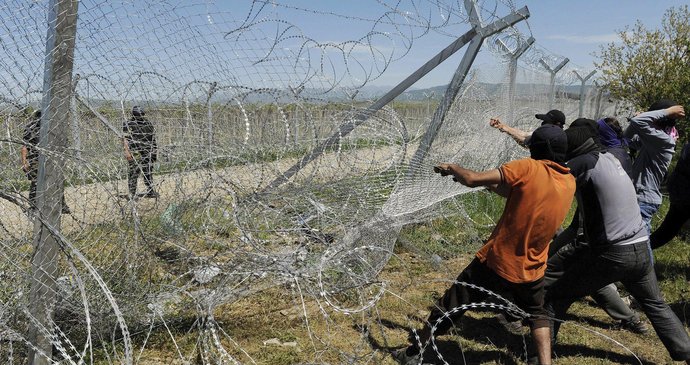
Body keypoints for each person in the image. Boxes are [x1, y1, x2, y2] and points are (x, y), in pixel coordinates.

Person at [393, 123, 575, 365]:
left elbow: (471, 179)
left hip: (497, 260)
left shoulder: (528, 167)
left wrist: (453, 168)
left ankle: (414, 353)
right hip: (532, 267)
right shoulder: (568, 180)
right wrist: (486, 184)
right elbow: (518, 193)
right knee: (538, 315)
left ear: (536, 149)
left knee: (449, 305)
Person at [545, 124, 690, 364]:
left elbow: (546, 187)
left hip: (613, 253)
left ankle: (538, 354)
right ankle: (686, 353)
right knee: (656, 304)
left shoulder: (582, 163)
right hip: (641, 246)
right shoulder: (612, 158)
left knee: (556, 296)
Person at [624, 100, 685, 234]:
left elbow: (637, 122)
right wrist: (640, 119)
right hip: (639, 197)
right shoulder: (655, 140)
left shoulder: (664, 141)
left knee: (640, 246)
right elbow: (626, 139)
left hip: (644, 200)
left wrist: (666, 112)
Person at [21, 109, 70, 214]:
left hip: (52, 158)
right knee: (36, 182)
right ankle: (34, 206)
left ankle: (61, 204)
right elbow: (25, 146)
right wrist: (25, 162)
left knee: (56, 180)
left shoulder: (54, 127)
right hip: (36, 159)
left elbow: (63, 145)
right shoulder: (31, 128)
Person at [650, 141, 690, 249]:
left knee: (668, 230)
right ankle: (643, 250)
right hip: (684, 194)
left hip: (680, 191)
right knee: (668, 230)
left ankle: (644, 249)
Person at [123, 105, 158, 198]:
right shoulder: (128, 124)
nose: (139, 116)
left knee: (148, 172)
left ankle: (150, 191)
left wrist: (154, 151)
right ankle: (132, 193)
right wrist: (127, 151)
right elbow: (125, 138)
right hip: (135, 151)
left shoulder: (148, 123)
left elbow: (152, 139)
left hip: (147, 151)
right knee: (134, 172)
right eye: (137, 114)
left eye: (140, 114)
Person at [489, 109, 566, 147]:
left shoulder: (553, 138)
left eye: (546, 121)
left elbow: (525, 142)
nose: (543, 123)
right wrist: (502, 126)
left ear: (557, 124)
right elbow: (524, 134)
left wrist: (507, 130)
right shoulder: (551, 133)